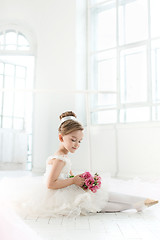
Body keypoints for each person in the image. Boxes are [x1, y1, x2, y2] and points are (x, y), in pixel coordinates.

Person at [0, 111, 158, 217]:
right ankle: (136, 203)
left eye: (79, 141)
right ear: (61, 138)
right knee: (98, 204)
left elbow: (63, 177)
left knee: (102, 195)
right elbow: (50, 183)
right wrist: (74, 181)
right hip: (58, 196)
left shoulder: (63, 155)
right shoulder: (59, 159)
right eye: (73, 140)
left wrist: (77, 179)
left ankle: (139, 201)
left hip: (65, 189)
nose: (76, 144)